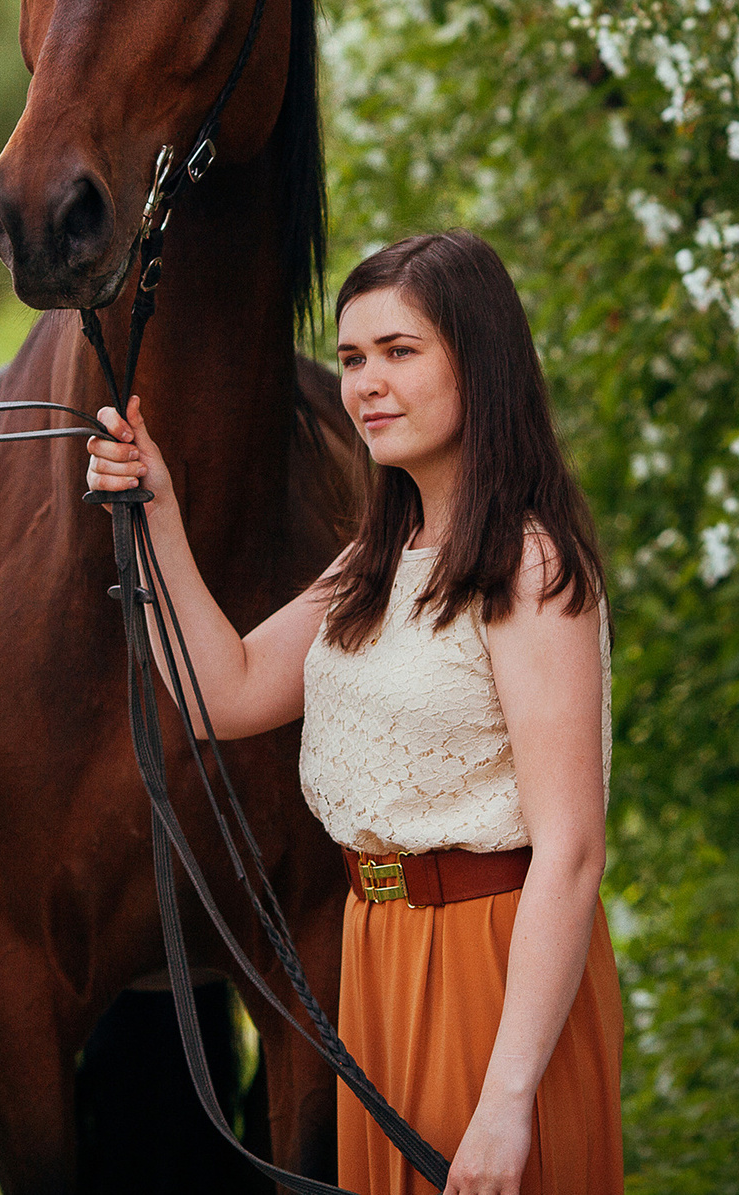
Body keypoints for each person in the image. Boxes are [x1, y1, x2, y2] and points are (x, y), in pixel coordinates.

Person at [84, 229, 622, 1195]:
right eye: (351, 358)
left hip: (491, 965)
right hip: (375, 955)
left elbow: (572, 848)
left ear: (481, 364)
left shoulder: (529, 567)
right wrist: (158, 513)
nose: (367, 382)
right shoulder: (375, 562)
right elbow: (229, 691)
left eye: (400, 352)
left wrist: (506, 1103)